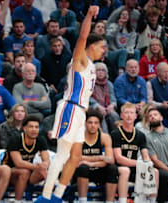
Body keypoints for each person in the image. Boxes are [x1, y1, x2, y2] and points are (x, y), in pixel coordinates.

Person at [35, 6, 106, 202]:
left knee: (75, 157)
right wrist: (90, 16)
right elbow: (82, 38)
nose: (104, 50)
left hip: (81, 112)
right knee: (62, 154)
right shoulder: (81, 60)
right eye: (102, 46)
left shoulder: (92, 65)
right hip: (70, 107)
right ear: (92, 46)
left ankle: (57, 195)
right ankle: (46, 197)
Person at [112, 103, 159, 203]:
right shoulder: (115, 133)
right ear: (121, 116)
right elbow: (118, 158)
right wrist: (139, 163)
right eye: (126, 113)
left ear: (135, 116)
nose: (129, 115)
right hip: (118, 168)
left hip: (135, 168)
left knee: (154, 172)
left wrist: (147, 164)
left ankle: (152, 200)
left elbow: (145, 156)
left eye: (131, 113)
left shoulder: (140, 135)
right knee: (125, 170)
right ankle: (122, 201)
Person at [75, 108, 118, 203]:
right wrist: (100, 158)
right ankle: (82, 201)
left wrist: (90, 163)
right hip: (81, 171)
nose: (93, 125)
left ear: (99, 124)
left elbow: (110, 159)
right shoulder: (78, 136)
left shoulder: (105, 137)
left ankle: (110, 201)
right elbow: (76, 158)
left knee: (112, 168)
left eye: (96, 123)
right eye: (90, 122)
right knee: (83, 167)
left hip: (97, 170)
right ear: (85, 123)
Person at [6, 116, 49, 202]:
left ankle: (48, 197)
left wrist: (44, 165)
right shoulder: (15, 139)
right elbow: (18, 163)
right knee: (24, 172)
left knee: (44, 169)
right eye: (31, 127)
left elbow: (47, 160)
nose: (34, 129)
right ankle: (17, 201)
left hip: (30, 172)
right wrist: (38, 167)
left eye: (36, 127)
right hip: (10, 172)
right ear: (24, 128)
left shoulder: (40, 139)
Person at [146, 108, 168, 203]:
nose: (152, 117)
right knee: (164, 175)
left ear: (161, 118)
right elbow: (155, 160)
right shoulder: (147, 137)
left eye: (155, 114)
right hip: (160, 168)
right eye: (150, 116)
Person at [90, 62, 119, 134]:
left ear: (106, 73)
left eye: (103, 70)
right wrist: (97, 106)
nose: (100, 72)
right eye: (98, 70)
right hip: (93, 108)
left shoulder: (109, 84)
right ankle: (105, 139)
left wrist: (112, 105)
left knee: (114, 115)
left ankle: (116, 137)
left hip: (107, 108)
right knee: (100, 115)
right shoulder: (89, 83)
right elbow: (87, 98)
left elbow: (113, 98)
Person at [147, 62, 168, 127]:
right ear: (158, 73)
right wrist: (161, 105)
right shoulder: (150, 84)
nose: (167, 74)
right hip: (155, 113)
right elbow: (149, 102)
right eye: (164, 72)